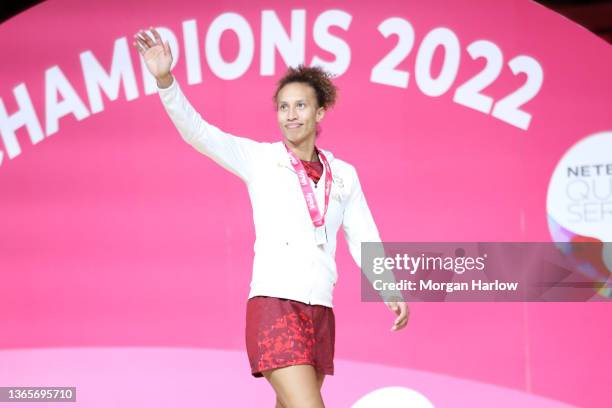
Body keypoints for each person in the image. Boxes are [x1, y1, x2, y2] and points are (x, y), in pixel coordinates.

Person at [133, 27, 409, 408]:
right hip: (274, 306)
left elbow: (363, 235)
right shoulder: (260, 159)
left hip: (320, 310)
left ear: (320, 111)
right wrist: (165, 81)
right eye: (283, 106)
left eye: (300, 106)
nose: (290, 115)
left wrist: (389, 289)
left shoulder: (344, 174)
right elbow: (198, 132)